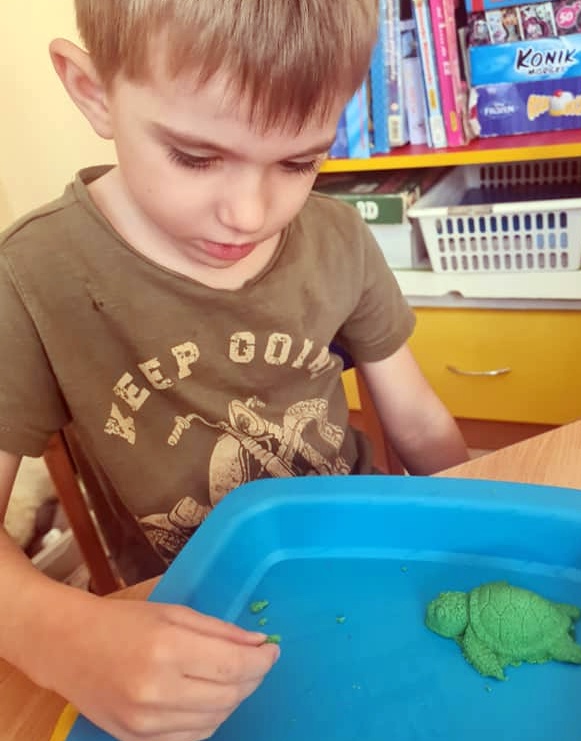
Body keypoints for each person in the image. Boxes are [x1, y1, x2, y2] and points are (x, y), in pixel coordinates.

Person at [0, 1, 468, 739]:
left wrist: (481, 525)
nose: (251, 214)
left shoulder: (339, 238)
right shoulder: (33, 277)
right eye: (196, 156)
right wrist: (55, 634)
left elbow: (419, 422)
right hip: (183, 616)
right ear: (93, 92)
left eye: (299, 162)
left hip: (360, 562)